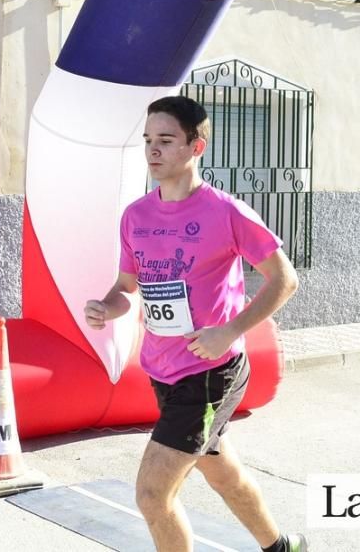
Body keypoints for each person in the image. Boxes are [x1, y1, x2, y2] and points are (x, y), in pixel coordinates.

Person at [84, 96, 306, 552]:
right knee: (221, 471)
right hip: (162, 370)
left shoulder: (226, 212)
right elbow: (127, 288)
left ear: (196, 147)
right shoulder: (136, 216)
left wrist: (230, 330)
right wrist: (107, 307)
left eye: (166, 140)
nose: (153, 151)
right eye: (148, 140)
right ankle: (282, 547)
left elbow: (285, 280)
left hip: (211, 372)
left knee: (152, 494)